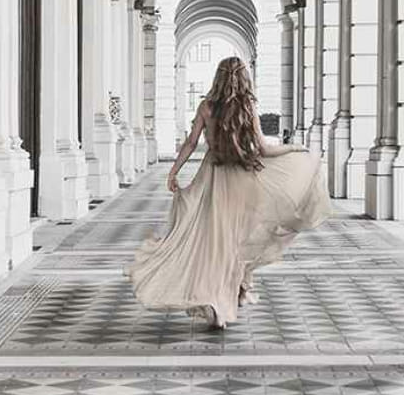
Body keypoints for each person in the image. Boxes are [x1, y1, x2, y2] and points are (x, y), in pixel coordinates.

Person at [125, 56, 332, 330]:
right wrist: (295, 148)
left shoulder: (206, 107)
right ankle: (230, 295)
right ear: (244, 79)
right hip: (242, 179)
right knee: (238, 239)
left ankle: (224, 296)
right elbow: (264, 150)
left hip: (213, 178)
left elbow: (190, 143)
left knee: (214, 240)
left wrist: (174, 171)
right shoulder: (247, 107)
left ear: (218, 77)